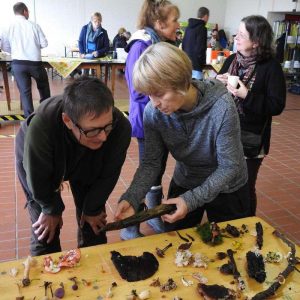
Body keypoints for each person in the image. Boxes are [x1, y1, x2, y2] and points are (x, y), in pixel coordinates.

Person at [115, 42, 251, 233]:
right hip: (187, 181)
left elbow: (230, 166)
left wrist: (192, 199)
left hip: (228, 187)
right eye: (149, 95)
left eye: (159, 94)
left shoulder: (222, 106)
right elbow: (151, 162)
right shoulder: (153, 113)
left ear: (182, 82)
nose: (154, 104)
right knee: (176, 242)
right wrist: (132, 197)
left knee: (232, 242)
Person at [15, 77, 131, 256]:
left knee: (94, 226)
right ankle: (48, 273)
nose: (103, 137)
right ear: (67, 120)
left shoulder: (119, 126)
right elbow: (38, 179)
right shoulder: (42, 127)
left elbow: (109, 174)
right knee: (46, 229)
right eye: (93, 130)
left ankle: (95, 267)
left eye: (107, 127)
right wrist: (50, 208)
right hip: (41, 161)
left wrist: (92, 208)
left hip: (90, 159)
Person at [216, 15, 286, 215]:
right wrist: (218, 83)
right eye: (236, 34)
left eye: (241, 35)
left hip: (252, 138)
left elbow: (276, 105)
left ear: (256, 42)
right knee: (223, 181)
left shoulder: (271, 67)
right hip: (225, 133)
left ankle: (246, 224)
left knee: (245, 187)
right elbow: (216, 92)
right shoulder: (232, 60)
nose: (235, 38)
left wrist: (247, 95)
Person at [122, 0, 180, 240]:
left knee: (156, 171)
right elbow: (137, 89)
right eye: (175, 20)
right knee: (148, 171)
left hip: (161, 119)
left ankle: (153, 215)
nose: (178, 24)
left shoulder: (162, 43)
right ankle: (129, 226)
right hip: (148, 121)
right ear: (159, 23)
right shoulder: (141, 44)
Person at [1, 2, 50, 118]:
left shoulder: (8, 27)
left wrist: (15, 51)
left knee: (25, 92)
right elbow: (44, 43)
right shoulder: (34, 25)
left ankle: (30, 120)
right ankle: (47, 113)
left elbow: (4, 46)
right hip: (35, 63)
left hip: (18, 64)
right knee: (43, 87)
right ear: (25, 11)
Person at [182, 7, 209, 80]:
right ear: (206, 16)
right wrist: (202, 63)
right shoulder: (202, 28)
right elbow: (201, 48)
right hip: (197, 65)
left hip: (186, 63)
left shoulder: (188, 27)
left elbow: (183, 44)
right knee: (197, 88)